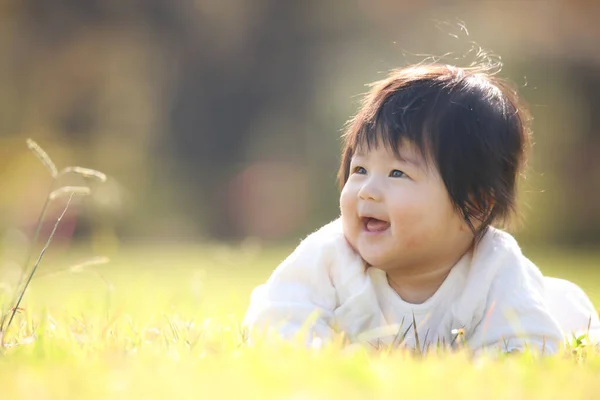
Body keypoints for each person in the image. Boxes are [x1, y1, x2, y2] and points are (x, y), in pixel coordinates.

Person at [242, 64, 600, 354]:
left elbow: (526, 351)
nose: (367, 191)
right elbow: (276, 320)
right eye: (360, 169)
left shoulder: (495, 269)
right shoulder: (332, 257)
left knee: (563, 309)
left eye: (397, 172)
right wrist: (322, 357)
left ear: (474, 205)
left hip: (556, 308)